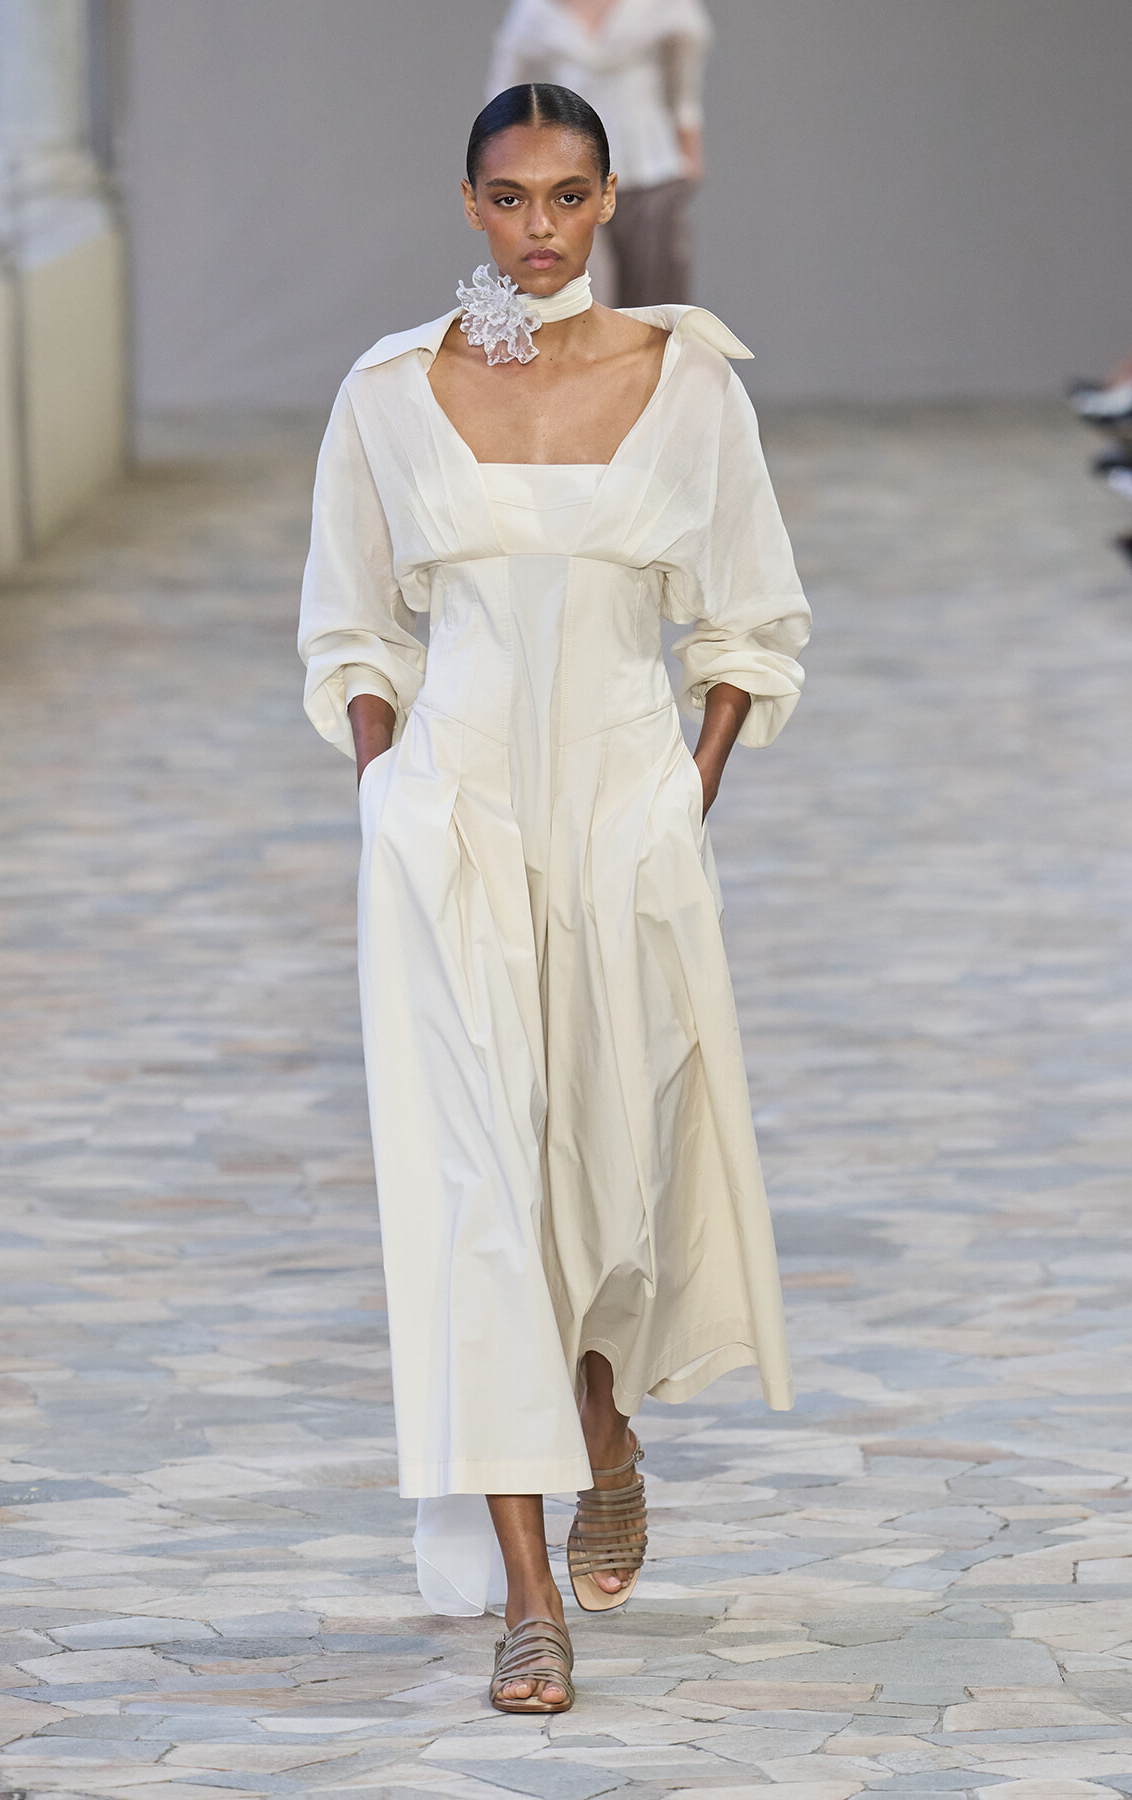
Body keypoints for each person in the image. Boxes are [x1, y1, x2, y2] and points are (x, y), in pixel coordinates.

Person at [298, 82, 810, 1715]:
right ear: (469, 205)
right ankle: (533, 1598)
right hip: (448, 829)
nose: (538, 227)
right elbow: (349, 622)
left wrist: (685, 793)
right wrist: (382, 789)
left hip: (620, 824)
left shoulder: (683, 383)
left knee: (610, 1171)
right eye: (509, 198)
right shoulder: (388, 393)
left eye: (567, 197)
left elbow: (749, 614)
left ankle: (599, 1421)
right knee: (471, 1197)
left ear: (607, 205)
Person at [488, 0, 711, 305]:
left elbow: (685, 85)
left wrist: (689, 155)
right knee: (575, 297)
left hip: (651, 167)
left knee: (656, 302)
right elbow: (504, 93)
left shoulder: (662, 6)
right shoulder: (537, 10)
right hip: (570, 175)